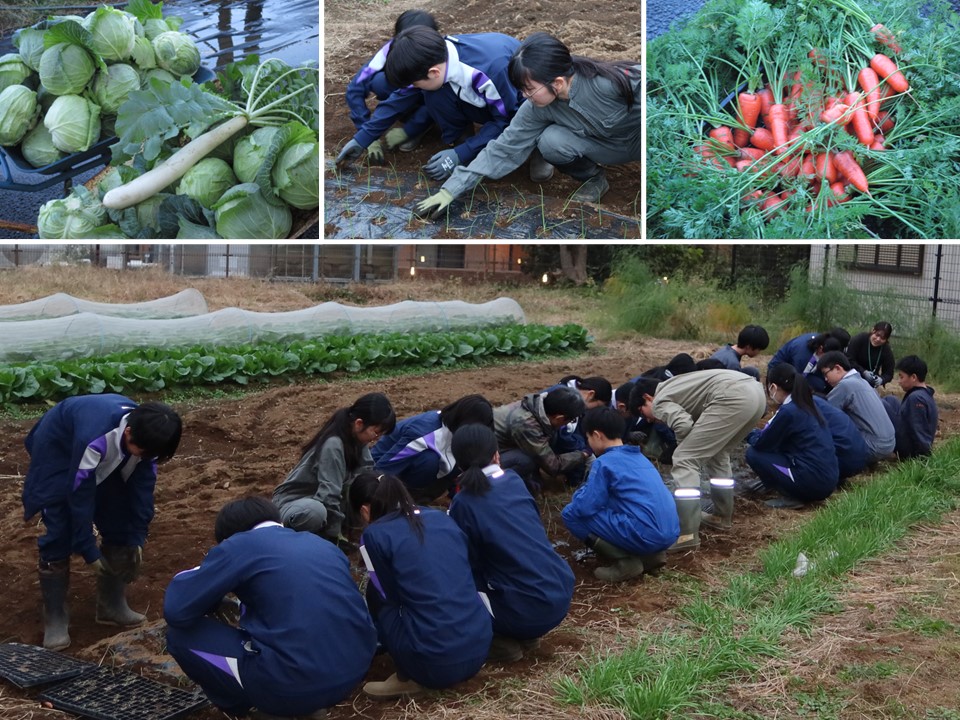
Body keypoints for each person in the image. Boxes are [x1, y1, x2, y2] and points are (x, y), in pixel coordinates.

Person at [164, 497, 377, 720]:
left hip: (292, 684)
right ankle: (309, 703)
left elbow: (176, 610)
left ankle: (255, 707)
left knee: (179, 636)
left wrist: (212, 590)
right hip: (352, 672)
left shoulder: (240, 545)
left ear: (231, 535)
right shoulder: (321, 544)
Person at [415, 32, 641, 217]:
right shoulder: (536, 108)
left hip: (643, 142)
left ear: (558, 82)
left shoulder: (608, 83)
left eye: (529, 89)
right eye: (521, 89)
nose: (524, 96)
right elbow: (503, 147)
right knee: (550, 141)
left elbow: (661, 96)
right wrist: (451, 189)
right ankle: (594, 180)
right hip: (608, 149)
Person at [21, 394, 182, 650]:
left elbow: (141, 490)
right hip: (59, 447)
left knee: (121, 515)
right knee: (60, 523)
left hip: (106, 449)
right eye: (142, 452)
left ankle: (111, 606)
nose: (145, 457)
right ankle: (56, 618)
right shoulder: (94, 437)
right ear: (128, 432)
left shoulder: (149, 439)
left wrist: (136, 537)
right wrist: (87, 548)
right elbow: (79, 494)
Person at [350, 471, 492, 700]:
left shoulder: (375, 535)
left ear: (365, 511)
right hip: (480, 647)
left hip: (433, 665)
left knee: (374, 594)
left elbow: (388, 594)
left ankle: (407, 675)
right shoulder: (440, 517)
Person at [448, 424, 574, 661]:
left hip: (525, 610)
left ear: (458, 462)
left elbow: (467, 560)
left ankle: (500, 640)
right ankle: (526, 632)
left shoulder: (463, 503)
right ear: (496, 454)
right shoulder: (514, 480)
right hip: (560, 591)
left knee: (457, 581)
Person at [628, 370, 766, 544]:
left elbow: (684, 425)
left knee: (684, 459)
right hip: (756, 394)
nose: (647, 420)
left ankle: (686, 535)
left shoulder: (660, 399)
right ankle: (721, 517)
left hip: (733, 397)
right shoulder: (676, 385)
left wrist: (683, 448)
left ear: (648, 398)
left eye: (642, 412)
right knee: (718, 453)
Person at [381, 25, 535, 182]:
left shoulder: (490, 71)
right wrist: (363, 138)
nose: (413, 88)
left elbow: (508, 121)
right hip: (493, 99)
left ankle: (537, 150)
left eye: (415, 83)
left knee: (525, 128)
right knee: (435, 94)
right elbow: (398, 98)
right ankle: (463, 142)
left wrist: (461, 153)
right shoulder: (435, 58)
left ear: (434, 73)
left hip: (523, 105)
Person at [561, 407, 679, 582]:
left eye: (588, 438)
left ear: (597, 435)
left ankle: (625, 562)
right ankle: (652, 556)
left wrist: (579, 494)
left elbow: (584, 507)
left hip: (646, 534)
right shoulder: (640, 458)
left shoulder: (604, 463)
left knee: (570, 513)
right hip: (670, 533)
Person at [273, 393, 396, 547]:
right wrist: (335, 541)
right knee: (316, 513)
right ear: (359, 423)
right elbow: (329, 496)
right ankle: (306, 542)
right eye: (376, 432)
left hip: (324, 499)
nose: (376, 438)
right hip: (296, 503)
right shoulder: (333, 445)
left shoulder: (358, 440)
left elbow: (366, 478)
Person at [335, 9, 438, 166]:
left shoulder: (439, 56)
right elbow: (355, 89)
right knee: (379, 82)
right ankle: (407, 115)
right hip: (405, 95)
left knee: (437, 93)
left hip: (429, 98)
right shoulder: (385, 54)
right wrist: (367, 137)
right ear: (398, 38)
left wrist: (410, 130)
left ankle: (421, 125)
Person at [744, 365, 839, 508]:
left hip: (813, 482)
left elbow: (761, 443)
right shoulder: (806, 404)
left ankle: (792, 494)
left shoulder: (790, 411)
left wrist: (745, 431)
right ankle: (781, 485)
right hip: (827, 478)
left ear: (773, 387)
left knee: (754, 454)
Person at [372, 394, 493, 503]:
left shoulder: (457, 432)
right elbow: (383, 468)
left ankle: (439, 499)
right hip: (387, 466)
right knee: (429, 460)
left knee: (462, 458)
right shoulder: (424, 433)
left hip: (422, 472)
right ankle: (409, 500)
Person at [493, 385, 590, 493]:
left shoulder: (537, 405)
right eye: (571, 420)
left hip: (498, 444)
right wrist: (584, 454)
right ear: (559, 418)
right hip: (486, 457)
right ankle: (506, 489)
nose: (569, 423)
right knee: (525, 461)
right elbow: (554, 466)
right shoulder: (527, 424)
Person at [817, 351, 896, 463]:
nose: (825, 379)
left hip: (873, 446)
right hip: (889, 444)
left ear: (838, 368)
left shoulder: (845, 385)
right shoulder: (863, 382)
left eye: (826, 374)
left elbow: (823, 412)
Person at [881, 355, 939, 459]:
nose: (899, 381)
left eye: (901, 377)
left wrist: (922, 456)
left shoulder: (916, 398)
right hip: (909, 440)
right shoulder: (923, 393)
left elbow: (919, 429)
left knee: (881, 404)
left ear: (913, 377)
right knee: (891, 399)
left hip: (910, 452)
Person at [767, 328, 850, 395]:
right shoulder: (802, 354)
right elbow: (798, 378)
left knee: (821, 384)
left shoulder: (823, 342)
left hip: (805, 370)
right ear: (821, 349)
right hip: (780, 371)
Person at [846, 322, 895, 388]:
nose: (878, 339)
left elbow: (889, 373)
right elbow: (849, 359)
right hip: (852, 377)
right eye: (877, 335)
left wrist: (882, 379)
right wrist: (863, 372)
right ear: (873, 330)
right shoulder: (859, 339)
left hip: (870, 384)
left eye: (882, 338)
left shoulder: (886, 350)